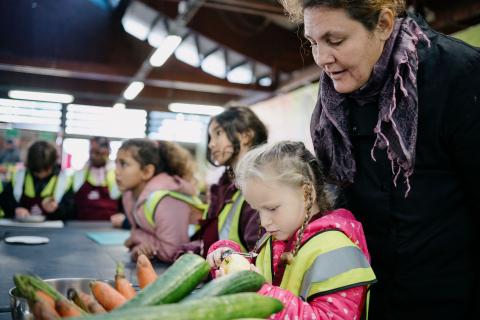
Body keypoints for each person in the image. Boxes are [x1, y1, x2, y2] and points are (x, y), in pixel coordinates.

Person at [280, 0, 480, 318]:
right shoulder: (333, 101)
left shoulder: (458, 74)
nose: (322, 59)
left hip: (454, 293)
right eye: (313, 42)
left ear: (384, 24)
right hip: (372, 293)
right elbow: (338, 194)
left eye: (335, 40)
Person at [207, 141, 376, 319]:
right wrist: (229, 259)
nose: (264, 222)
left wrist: (259, 293)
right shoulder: (278, 237)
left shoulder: (338, 252)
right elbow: (259, 273)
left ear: (306, 193)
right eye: (258, 210)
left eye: (272, 209)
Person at [177, 107, 268, 258]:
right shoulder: (225, 187)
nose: (211, 144)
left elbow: (259, 255)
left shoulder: (261, 186)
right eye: (210, 137)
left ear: (246, 136)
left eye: (218, 133)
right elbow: (208, 239)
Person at [116, 138, 205, 262]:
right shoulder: (129, 196)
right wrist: (140, 249)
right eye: (116, 163)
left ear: (147, 171)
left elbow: (173, 252)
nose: (116, 171)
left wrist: (137, 238)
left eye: (124, 164)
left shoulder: (167, 200)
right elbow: (140, 237)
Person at [2, 140, 73, 220]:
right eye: (37, 170)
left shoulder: (64, 180)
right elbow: (4, 200)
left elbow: (71, 211)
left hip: (53, 230)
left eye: (44, 169)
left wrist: (58, 209)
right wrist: (15, 209)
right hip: (21, 229)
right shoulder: (18, 177)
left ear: (52, 163)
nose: (40, 174)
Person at [72, 137, 122, 220]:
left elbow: (116, 195)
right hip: (82, 223)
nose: (93, 156)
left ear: (107, 152)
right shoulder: (81, 173)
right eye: (91, 152)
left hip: (109, 223)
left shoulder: (116, 173)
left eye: (98, 153)